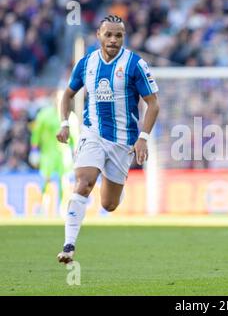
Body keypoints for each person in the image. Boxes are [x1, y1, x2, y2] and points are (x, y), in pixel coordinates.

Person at [56, 15, 160, 264]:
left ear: (124, 37)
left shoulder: (135, 64)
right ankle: (69, 245)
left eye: (119, 35)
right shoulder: (86, 63)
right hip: (92, 133)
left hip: (123, 141)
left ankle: (114, 187)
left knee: (109, 204)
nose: (113, 39)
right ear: (99, 35)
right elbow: (67, 95)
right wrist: (64, 123)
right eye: (109, 34)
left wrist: (143, 138)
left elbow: (153, 104)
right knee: (84, 182)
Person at [29, 94, 76, 214]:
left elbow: (75, 137)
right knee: (46, 180)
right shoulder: (44, 115)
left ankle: (62, 207)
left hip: (63, 154)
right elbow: (36, 134)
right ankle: (42, 207)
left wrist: (75, 152)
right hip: (48, 154)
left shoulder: (70, 117)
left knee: (64, 181)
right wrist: (34, 150)